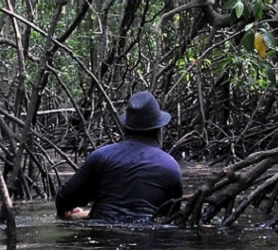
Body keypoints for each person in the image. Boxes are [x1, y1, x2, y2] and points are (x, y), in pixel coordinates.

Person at [54, 90, 183, 223]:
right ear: (159, 130)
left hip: (102, 237)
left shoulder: (100, 157)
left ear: (124, 128)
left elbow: (63, 200)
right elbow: (172, 217)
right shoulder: (171, 167)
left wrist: (86, 214)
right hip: (150, 237)